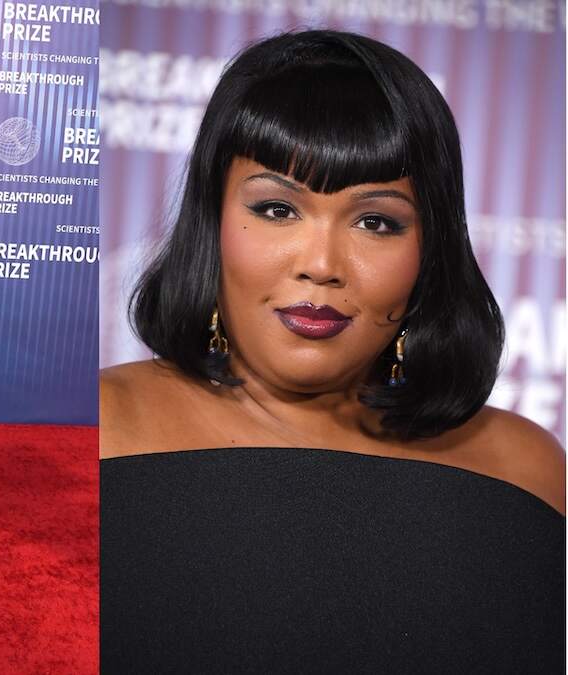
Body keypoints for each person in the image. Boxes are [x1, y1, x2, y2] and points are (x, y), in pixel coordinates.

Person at [99, 29, 565, 672]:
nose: (321, 265)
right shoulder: (98, 428)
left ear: (429, 251)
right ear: (213, 222)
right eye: (275, 209)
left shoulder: (525, 473)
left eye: (376, 222)